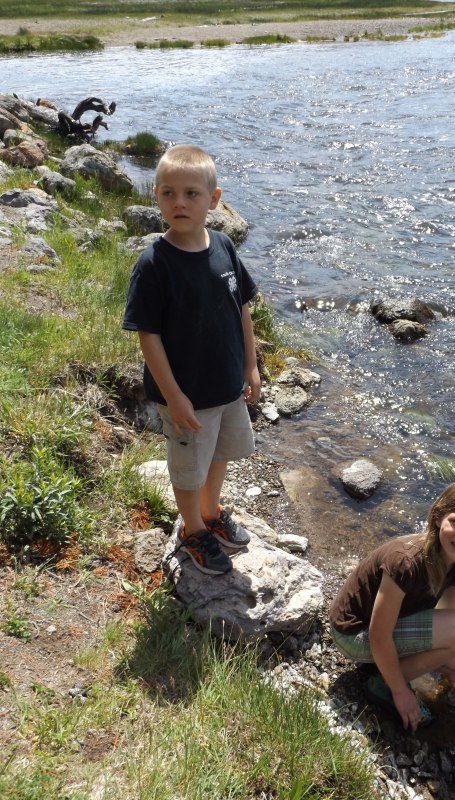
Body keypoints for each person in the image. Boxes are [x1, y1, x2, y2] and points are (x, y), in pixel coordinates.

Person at [123, 144, 261, 576]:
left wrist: (251, 367)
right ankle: (192, 529)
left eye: (191, 193)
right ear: (156, 196)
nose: (178, 202)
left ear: (214, 199)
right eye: (167, 193)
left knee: (219, 455)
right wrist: (174, 397)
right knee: (187, 466)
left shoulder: (222, 245)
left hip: (227, 388)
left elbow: (242, 308)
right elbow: (149, 336)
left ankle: (210, 511)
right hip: (186, 396)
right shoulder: (154, 263)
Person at [329, 478, 455, 732]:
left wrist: (451, 664)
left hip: (387, 630)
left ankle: (390, 670)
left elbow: (446, 612)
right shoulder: (406, 561)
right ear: (439, 516)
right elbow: (378, 633)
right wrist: (400, 692)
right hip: (354, 634)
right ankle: (385, 684)